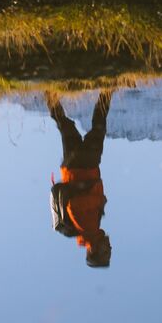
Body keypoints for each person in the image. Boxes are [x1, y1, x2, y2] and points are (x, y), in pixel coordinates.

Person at [46, 88, 113, 268]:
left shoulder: (88, 230)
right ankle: (48, 92)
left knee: (99, 124)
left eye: (106, 251)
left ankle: (109, 86)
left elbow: (73, 205)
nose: (110, 247)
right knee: (65, 126)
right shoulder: (88, 231)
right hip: (71, 168)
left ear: (94, 250)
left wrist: (99, 199)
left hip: (85, 165)